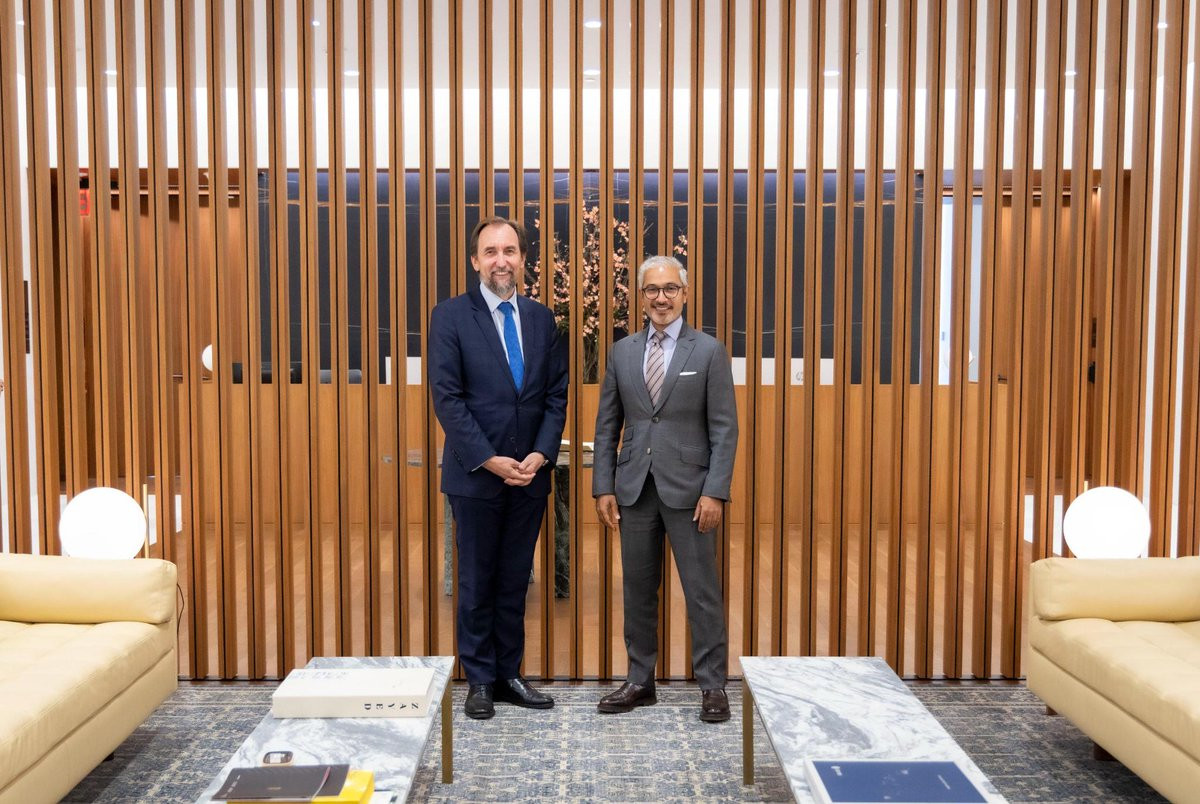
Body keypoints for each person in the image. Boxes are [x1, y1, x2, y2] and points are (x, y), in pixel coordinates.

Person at [429, 216, 568, 720]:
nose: (501, 261)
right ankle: (480, 680)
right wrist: (489, 459)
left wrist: (541, 454)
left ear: (523, 259)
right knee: (476, 582)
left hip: (529, 475)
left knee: (513, 582)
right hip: (476, 476)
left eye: (509, 251)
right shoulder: (450, 316)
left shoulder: (541, 319)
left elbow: (555, 395)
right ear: (475, 261)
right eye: (490, 252)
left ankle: (509, 673)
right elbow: (447, 398)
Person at [592, 255, 738, 723]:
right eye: (652, 289)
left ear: (685, 294)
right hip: (634, 489)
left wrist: (715, 491)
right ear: (641, 297)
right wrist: (603, 486)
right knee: (637, 591)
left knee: (701, 592)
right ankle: (640, 681)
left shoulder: (709, 351)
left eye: (670, 288)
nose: (661, 297)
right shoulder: (622, 352)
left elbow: (725, 428)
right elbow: (607, 425)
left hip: (692, 493)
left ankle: (712, 685)